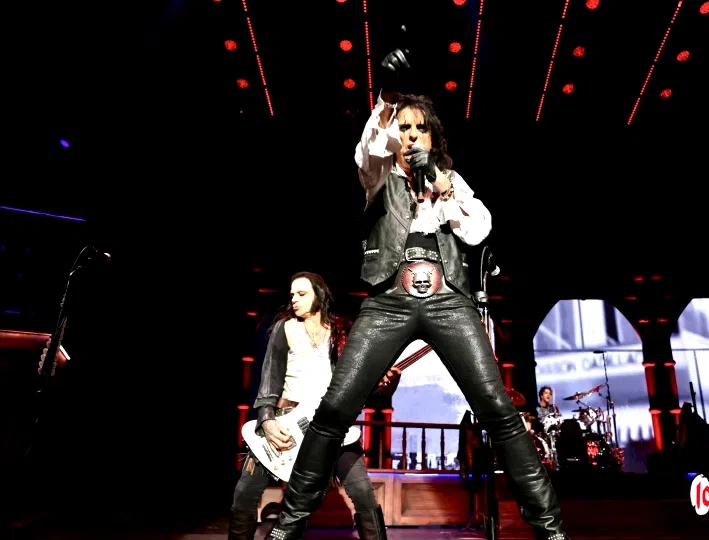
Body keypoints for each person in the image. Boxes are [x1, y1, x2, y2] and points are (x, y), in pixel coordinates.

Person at [268, 47, 568, 540]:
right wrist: (386, 99)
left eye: (418, 128)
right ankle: (289, 524)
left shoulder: (451, 181)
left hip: (449, 299)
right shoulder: (379, 175)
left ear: (433, 137)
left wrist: (443, 186)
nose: (409, 135)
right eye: (402, 128)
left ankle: (551, 529)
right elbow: (366, 151)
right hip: (387, 300)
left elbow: (479, 230)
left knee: (498, 408)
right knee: (335, 407)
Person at [228, 272, 401, 540]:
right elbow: (270, 378)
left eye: (301, 293)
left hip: (331, 425)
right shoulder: (285, 328)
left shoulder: (342, 332)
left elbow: (359, 390)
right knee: (244, 493)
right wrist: (267, 419)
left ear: (319, 295)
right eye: (292, 295)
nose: (294, 299)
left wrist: (387, 386)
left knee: (364, 495)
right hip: (287, 421)